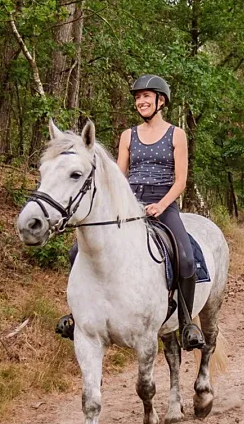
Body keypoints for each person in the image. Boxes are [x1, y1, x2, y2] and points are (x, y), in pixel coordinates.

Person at [56, 75, 205, 351]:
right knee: (76, 251)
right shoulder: (128, 135)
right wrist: (120, 205)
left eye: (146, 96)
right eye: (137, 98)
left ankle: (186, 324)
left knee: (185, 257)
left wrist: (161, 205)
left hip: (164, 203)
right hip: (130, 203)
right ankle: (77, 316)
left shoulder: (176, 134)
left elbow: (181, 180)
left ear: (161, 101)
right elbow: (119, 176)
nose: (141, 101)